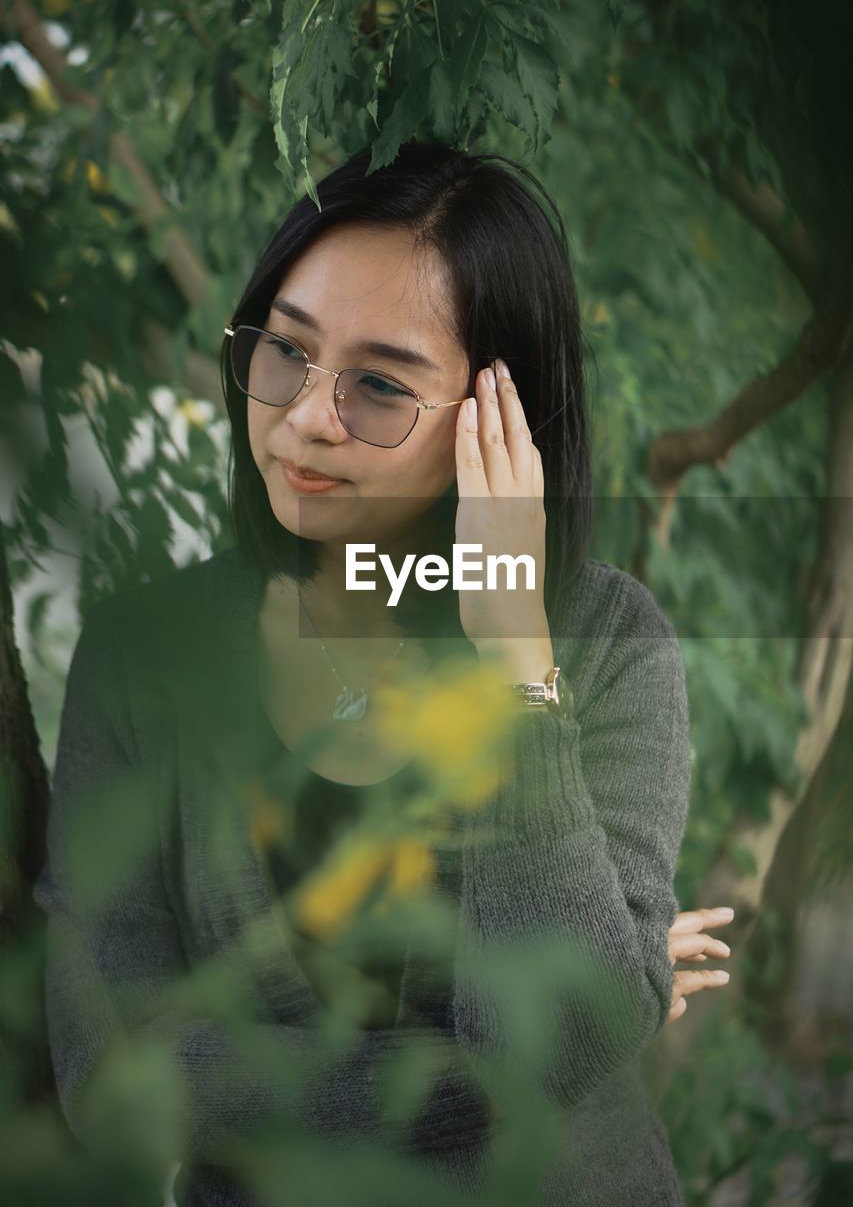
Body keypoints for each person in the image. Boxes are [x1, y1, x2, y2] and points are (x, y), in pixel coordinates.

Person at [33, 141, 730, 1207]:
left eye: (378, 386)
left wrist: (513, 660)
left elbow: (571, 1027)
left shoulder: (603, 640)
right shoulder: (145, 655)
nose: (309, 414)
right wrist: (514, 1058)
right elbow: (113, 1072)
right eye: (286, 352)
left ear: (498, 420)